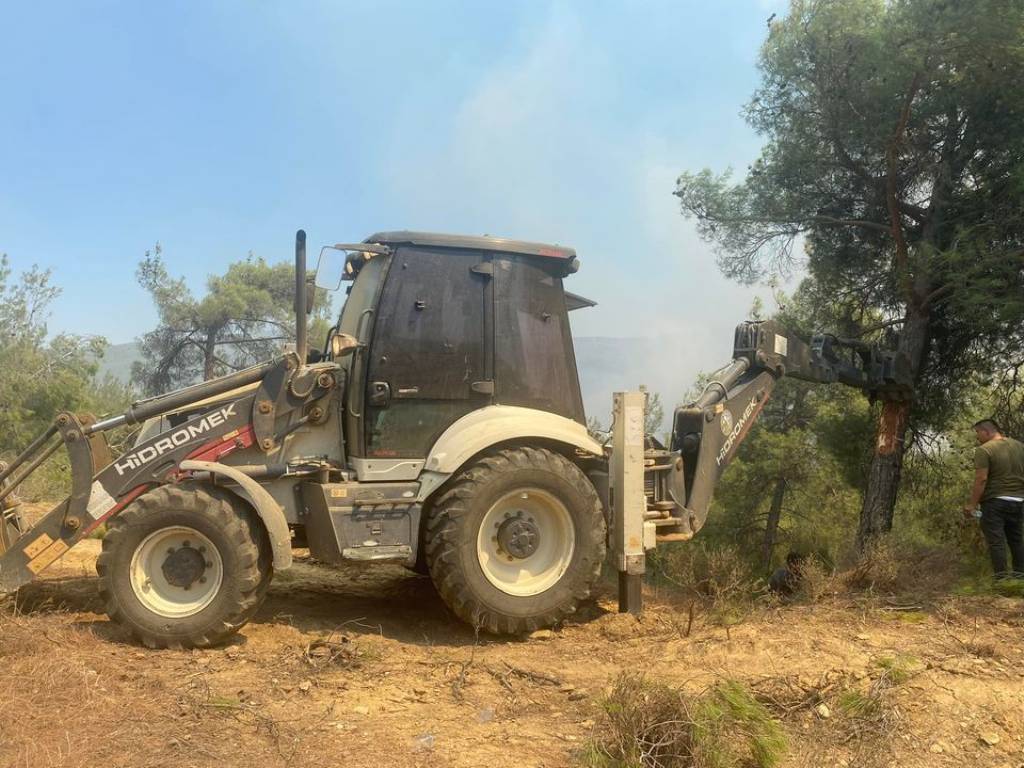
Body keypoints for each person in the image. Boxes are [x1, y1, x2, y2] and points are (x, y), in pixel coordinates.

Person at [962, 419, 1024, 579]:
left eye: (978, 433)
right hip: (1018, 501)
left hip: (995, 502)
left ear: (986, 432)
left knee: (997, 543)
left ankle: (1002, 582)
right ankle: (1020, 580)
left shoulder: (984, 449)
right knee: (1016, 542)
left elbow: (981, 479)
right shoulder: (1019, 446)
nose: (977, 437)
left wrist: (972, 505)